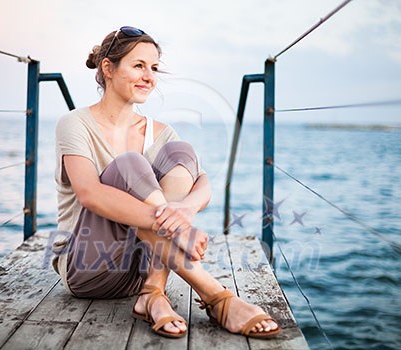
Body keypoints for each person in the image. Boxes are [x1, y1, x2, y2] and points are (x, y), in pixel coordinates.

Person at [53, 26, 281, 339]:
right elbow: (90, 194)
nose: (149, 77)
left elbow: (202, 183)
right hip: (91, 267)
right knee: (129, 165)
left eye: (154, 68)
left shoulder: (159, 131)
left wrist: (184, 213)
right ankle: (216, 295)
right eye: (138, 66)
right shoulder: (74, 124)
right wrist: (178, 228)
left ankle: (152, 294)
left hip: (142, 269)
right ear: (108, 68)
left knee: (180, 150)